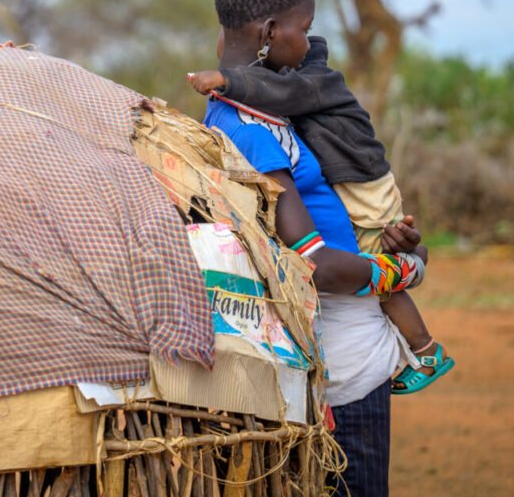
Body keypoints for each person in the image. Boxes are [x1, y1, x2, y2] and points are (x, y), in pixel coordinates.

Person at [189, 0, 429, 497]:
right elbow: (313, 264)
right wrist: (403, 272)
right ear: (270, 32)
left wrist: (391, 246)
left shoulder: (263, 112)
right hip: (344, 367)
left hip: (336, 357)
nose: (311, 39)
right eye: (305, 26)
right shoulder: (249, 129)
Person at [187, 30, 454, 396]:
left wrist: (225, 79)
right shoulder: (265, 116)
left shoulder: (313, 83)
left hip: (366, 186)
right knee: (375, 267)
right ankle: (422, 342)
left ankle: (426, 350)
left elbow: (325, 266)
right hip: (352, 187)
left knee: (377, 268)